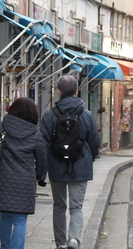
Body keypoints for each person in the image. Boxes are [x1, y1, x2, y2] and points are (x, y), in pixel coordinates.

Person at [40, 75, 100, 249]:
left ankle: (60, 243)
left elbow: (44, 145)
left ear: (59, 91)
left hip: (57, 167)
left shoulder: (49, 115)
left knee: (59, 206)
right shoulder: (87, 114)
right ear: (76, 91)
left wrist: (41, 172)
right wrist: (90, 160)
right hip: (80, 166)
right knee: (76, 206)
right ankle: (74, 240)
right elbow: (94, 142)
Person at [0, 97, 47, 249]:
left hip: (3, 180)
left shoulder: (3, 127)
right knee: (20, 220)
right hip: (25, 181)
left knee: (6, 217)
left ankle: (5, 247)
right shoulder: (35, 133)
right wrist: (38, 176)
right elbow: (42, 157)